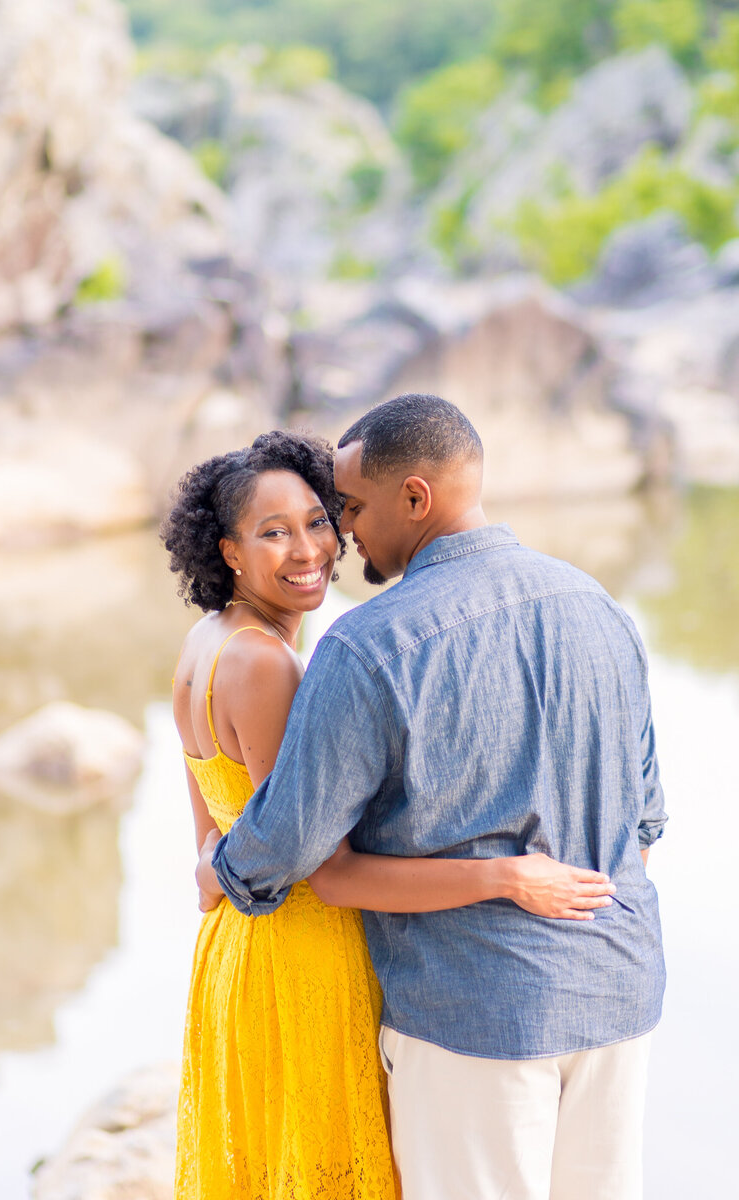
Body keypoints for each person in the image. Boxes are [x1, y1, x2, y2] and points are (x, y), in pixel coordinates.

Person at [204, 397, 667, 1200]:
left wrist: (223, 865)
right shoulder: (601, 608)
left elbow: (290, 846)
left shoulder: (369, 644)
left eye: (348, 508)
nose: (343, 534)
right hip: (617, 992)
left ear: (414, 499)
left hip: (471, 1017)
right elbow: (646, 823)